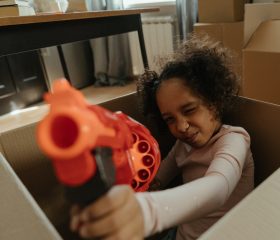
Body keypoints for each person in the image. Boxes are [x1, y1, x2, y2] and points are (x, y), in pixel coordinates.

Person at [70, 36, 254, 240]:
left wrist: (147, 212)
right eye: (170, 119)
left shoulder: (234, 139)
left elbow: (218, 189)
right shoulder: (182, 146)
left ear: (215, 101)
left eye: (190, 110)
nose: (182, 126)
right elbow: (154, 181)